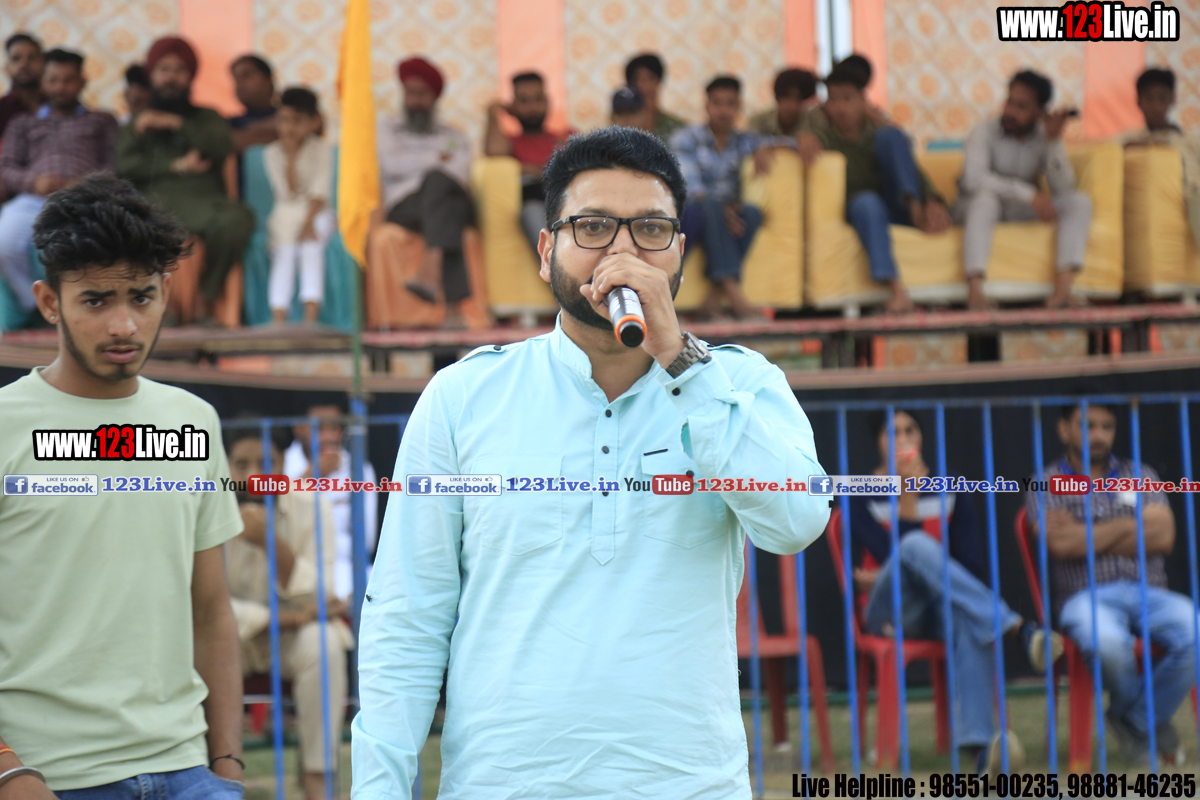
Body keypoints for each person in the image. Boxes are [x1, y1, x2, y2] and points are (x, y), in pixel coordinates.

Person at [352, 125, 831, 799]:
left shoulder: (740, 385)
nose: (623, 251)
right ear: (547, 251)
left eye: (651, 230)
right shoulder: (463, 397)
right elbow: (407, 617)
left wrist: (682, 364)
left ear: (680, 253)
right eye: (594, 226)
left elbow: (796, 522)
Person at [0, 175, 245, 798]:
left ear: (166, 293)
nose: (123, 324)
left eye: (141, 297)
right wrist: (7, 768)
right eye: (95, 300)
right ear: (49, 302)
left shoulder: (192, 422)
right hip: (50, 777)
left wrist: (227, 766)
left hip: (189, 771)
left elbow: (212, 609)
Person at [851, 410, 1062, 775]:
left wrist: (914, 569)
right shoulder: (860, 492)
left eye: (910, 430)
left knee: (969, 620)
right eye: (892, 432)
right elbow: (894, 559)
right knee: (914, 546)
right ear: (879, 442)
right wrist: (908, 498)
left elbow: (971, 565)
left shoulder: (950, 488)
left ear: (921, 437)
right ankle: (1018, 628)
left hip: (940, 608)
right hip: (889, 610)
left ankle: (978, 750)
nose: (903, 440)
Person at [1027, 403, 1189, 766]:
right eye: (1088, 425)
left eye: (1107, 426)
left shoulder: (1140, 473)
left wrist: (1085, 532)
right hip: (1085, 597)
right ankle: (1149, 720)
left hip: (1150, 593)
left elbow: (1164, 536)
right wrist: (1133, 525)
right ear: (1064, 429)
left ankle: (1133, 718)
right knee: (1108, 644)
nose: (1098, 435)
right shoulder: (1046, 481)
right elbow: (1061, 545)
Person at [224, 427, 352, 800]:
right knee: (192, 641)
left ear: (284, 464)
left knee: (324, 643)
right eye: (241, 464)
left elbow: (323, 596)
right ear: (224, 466)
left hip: (292, 640)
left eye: (267, 463)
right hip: (229, 639)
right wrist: (290, 617)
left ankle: (318, 777)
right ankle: (212, 774)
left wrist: (272, 543)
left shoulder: (311, 505)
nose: (254, 475)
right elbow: (201, 606)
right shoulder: (203, 504)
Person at [117, 36, 255, 322]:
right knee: (130, 221)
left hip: (204, 203)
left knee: (236, 220)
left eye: (179, 70)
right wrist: (176, 165)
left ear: (191, 76)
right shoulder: (139, 123)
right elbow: (124, 166)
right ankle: (159, 302)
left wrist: (176, 123)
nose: (171, 77)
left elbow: (221, 146)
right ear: (152, 75)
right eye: (164, 69)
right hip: (154, 203)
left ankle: (207, 297)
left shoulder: (208, 117)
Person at [798, 65, 951, 314]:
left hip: (896, 204)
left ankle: (914, 207)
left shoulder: (878, 132)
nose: (840, 107)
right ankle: (896, 290)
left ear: (863, 101)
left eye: (847, 98)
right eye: (833, 100)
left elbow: (909, 166)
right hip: (864, 211)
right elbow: (799, 138)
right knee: (867, 202)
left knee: (892, 136)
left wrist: (931, 199)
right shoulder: (824, 136)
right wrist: (804, 137)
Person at [954, 70, 1091, 310]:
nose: (1010, 111)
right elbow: (973, 180)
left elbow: (1063, 188)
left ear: (1039, 112)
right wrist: (1027, 194)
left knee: (1078, 202)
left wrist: (1053, 141)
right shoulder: (984, 131)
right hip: (979, 207)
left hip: (1020, 210)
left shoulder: (1043, 135)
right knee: (985, 201)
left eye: (1022, 106)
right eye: (1010, 102)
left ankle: (1062, 293)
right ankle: (975, 293)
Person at [0, 48, 119, 319]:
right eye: (53, 80)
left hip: (86, 199)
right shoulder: (23, 123)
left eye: (68, 80)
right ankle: (39, 308)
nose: (61, 87)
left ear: (82, 81)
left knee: (93, 246)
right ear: (43, 82)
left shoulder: (102, 120)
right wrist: (34, 182)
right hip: (33, 199)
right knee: (4, 242)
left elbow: (115, 165)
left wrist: (84, 183)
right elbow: (6, 168)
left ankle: (86, 310)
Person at [670, 75, 776, 320]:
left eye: (730, 104)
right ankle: (736, 297)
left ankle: (712, 300)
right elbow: (690, 188)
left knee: (752, 213)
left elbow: (784, 142)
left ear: (739, 107)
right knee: (709, 206)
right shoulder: (686, 139)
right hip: (694, 209)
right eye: (717, 103)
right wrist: (723, 210)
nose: (723, 110)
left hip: (728, 210)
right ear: (707, 105)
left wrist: (765, 147)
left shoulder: (745, 141)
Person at [378, 56, 474, 314]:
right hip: (404, 205)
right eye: (410, 93)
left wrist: (423, 165)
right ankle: (453, 309)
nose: (415, 101)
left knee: (439, 185)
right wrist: (436, 159)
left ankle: (429, 271)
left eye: (422, 94)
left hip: (443, 196)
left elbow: (460, 174)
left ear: (434, 98)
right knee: (448, 205)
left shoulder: (453, 136)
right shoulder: (387, 129)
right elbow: (392, 165)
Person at [283, 401, 380, 602]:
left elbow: (366, 541)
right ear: (298, 428)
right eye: (319, 428)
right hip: (295, 569)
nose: (328, 437)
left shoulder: (359, 469)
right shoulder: (281, 464)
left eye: (334, 428)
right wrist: (310, 476)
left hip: (346, 568)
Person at [264, 86, 333, 325]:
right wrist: (291, 157)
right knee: (284, 254)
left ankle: (310, 317)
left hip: (317, 212)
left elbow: (320, 191)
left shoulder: (322, 149)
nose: (289, 128)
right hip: (286, 212)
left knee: (310, 247)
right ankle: (278, 316)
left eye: (297, 121)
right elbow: (287, 192)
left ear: (313, 122)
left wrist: (308, 223)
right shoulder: (272, 153)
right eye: (284, 120)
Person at [484, 71, 573, 254]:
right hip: (535, 203)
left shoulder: (567, 136)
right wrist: (494, 112)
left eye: (538, 99)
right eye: (524, 101)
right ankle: (556, 265)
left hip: (569, 200)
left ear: (547, 101)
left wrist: (527, 169)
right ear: (513, 106)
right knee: (531, 210)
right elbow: (494, 152)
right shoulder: (510, 142)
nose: (532, 107)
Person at [1119, 68, 1200, 252]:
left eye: (1162, 98)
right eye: (1149, 98)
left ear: (1172, 99)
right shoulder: (1129, 140)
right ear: (1139, 101)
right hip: (1165, 197)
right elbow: (1107, 153)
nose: (1156, 105)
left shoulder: (1191, 141)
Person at [625, 53, 687, 143]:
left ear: (659, 81)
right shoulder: (624, 127)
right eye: (637, 79)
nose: (644, 85)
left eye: (650, 78)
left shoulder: (677, 127)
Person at [749, 68, 817, 139]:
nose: (793, 105)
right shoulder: (759, 121)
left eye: (799, 99)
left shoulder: (814, 123)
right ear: (778, 98)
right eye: (787, 98)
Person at [229, 54, 278, 153]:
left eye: (246, 75)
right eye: (235, 78)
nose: (239, 83)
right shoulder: (231, 123)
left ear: (268, 80)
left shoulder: (292, 112)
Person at [0, 34, 43, 140]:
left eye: (32, 58)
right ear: (6, 67)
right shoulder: (2, 109)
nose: (24, 64)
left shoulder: (60, 105)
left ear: (44, 63)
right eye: (16, 58)